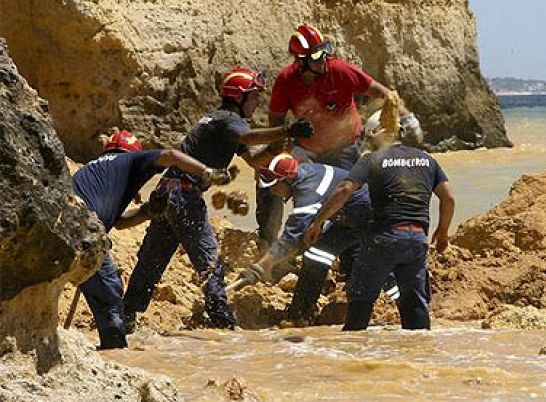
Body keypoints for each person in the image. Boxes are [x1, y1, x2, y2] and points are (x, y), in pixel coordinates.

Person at [123, 67, 314, 332]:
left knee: (152, 260)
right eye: (254, 96)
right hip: (185, 195)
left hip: (167, 192)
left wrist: (277, 146)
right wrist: (285, 130)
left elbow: (255, 161)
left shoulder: (217, 121)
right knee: (209, 264)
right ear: (239, 97)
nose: (258, 101)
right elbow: (247, 137)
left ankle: (125, 317)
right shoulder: (228, 120)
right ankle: (224, 325)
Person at [255, 24, 415, 248]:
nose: (323, 60)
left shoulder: (340, 70)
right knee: (269, 181)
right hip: (307, 150)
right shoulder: (286, 81)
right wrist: (279, 154)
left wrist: (407, 117)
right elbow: (276, 120)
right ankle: (268, 240)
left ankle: (350, 252)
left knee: (351, 200)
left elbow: (383, 93)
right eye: (316, 56)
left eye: (325, 52)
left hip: (346, 149)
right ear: (301, 61)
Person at [72, 129, 231, 349]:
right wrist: (207, 172)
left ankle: (106, 346)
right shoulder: (131, 159)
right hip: (85, 230)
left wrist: (147, 211)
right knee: (110, 292)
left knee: (97, 288)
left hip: (67, 225)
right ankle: (116, 352)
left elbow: (118, 222)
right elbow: (170, 155)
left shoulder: (96, 169)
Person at [305, 110, 454, 331]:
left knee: (361, 300)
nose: (368, 142)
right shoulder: (426, 159)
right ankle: (419, 357)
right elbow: (448, 198)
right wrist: (443, 232)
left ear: (378, 133)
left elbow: (345, 188)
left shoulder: (373, 160)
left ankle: (354, 355)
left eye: (369, 136)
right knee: (414, 305)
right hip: (417, 240)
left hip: (384, 238)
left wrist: (318, 222)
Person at [234, 153, 399, 326]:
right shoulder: (304, 173)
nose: (272, 191)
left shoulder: (308, 192)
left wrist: (260, 268)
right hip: (347, 219)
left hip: (370, 218)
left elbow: (290, 238)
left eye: (275, 185)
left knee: (378, 267)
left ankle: (409, 306)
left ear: (288, 180)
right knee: (315, 256)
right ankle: (300, 315)